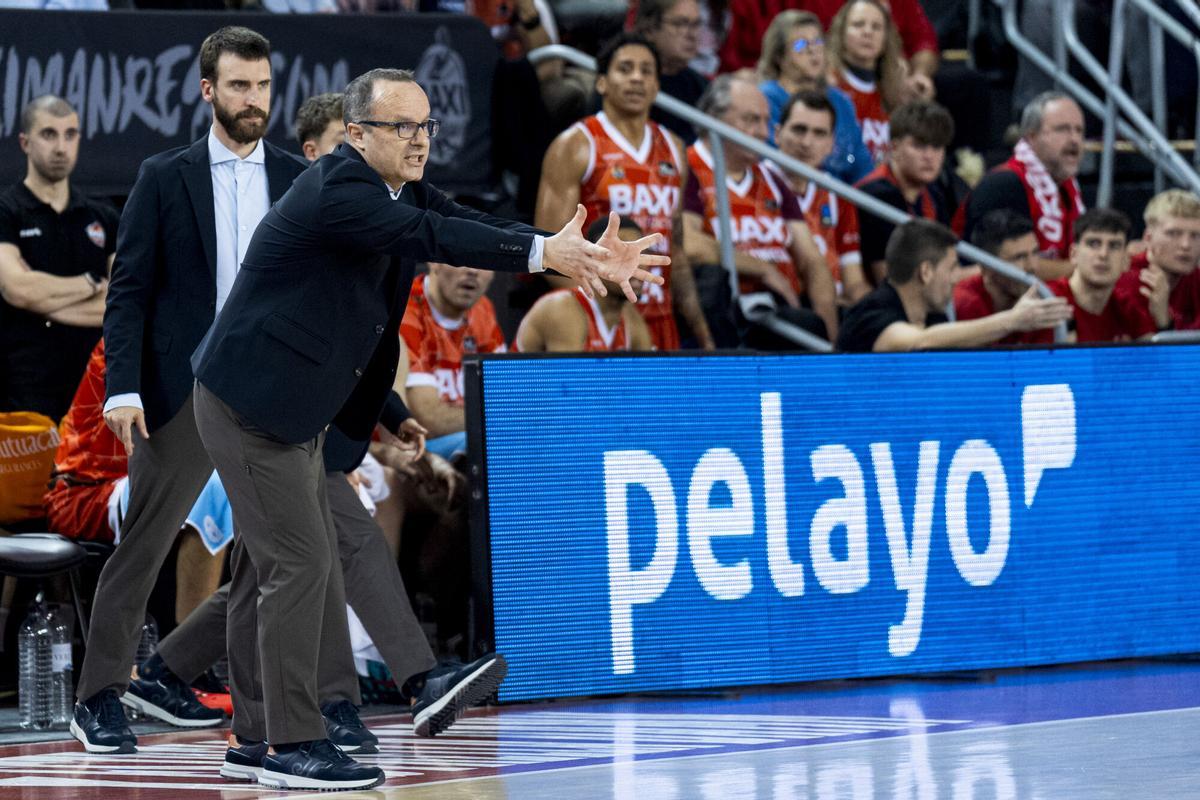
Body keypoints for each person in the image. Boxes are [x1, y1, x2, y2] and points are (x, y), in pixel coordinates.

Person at [189, 66, 666, 791]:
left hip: (291, 403)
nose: (419, 142)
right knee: (301, 565)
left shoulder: (396, 187)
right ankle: (291, 745)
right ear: (355, 135)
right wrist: (545, 255)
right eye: (401, 128)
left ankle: (255, 738)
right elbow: (435, 234)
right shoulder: (341, 190)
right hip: (252, 402)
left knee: (266, 571)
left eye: (426, 127)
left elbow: (461, 219)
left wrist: (572, 252)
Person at [71, 26, 311, 755]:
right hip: (181, 392)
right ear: (208, 90)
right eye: (238, 86)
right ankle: (98, 697)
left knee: (275, 557)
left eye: (263, 86)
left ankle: (261, 719)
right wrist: (123, 389)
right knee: (142, 546)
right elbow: (130, 292)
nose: (253, 100)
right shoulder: (163, 176)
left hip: (264, 392)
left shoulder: (298, 176)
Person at [535, 32, 713, 351]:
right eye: (625, 68)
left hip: (659, 315)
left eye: (646, 71)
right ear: (601, 82)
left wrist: (702, 332)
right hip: (601, 315)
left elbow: (678, 252)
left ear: (657, 86)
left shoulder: (673, 148)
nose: (636, 78)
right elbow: (550, 254)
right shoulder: (575, 145)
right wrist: (605, 313)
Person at [44, 340, 231, 623]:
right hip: (87, 490)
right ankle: (184, 657)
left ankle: (230, 649)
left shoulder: (214, 342)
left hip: (155, 476)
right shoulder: (129, 344)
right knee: (212, 489)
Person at [683, 75, 838, 343]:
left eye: (766, 121)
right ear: (714, 118)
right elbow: (689, 244)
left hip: (783, 307)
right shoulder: (687, 167)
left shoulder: (772, 178)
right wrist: (763, 269)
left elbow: (812, 261)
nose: (763, 134)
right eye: (751, 120)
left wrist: (832, 341)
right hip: (730, 309)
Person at [0, 95, 116, 421]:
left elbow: (122, 302)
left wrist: (42, 302)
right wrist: (91, 283)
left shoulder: (103, 217)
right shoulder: (7, 212)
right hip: (23, 392)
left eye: (70, 134)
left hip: (93, 393)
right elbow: (17, 290)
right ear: (25, 142)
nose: (61, 147)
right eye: (49, 134)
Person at [837, 219, 1071, 352]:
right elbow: (918, 342)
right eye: (951, 269)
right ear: (926, 272)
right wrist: (1013, 319)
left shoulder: (936, 317)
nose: (955, 278)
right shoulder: (871, 314)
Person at [957, 92, 1086, 278]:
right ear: (1032, 137)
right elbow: (1007, 265)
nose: (1074, 139)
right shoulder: (1003, 184)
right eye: (1062, 129)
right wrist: (1086, 270)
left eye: (1079, 130)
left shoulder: (1068, 188)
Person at [773, 89, 867, 302]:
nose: (807, 143)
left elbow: (853, 280)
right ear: (777, 134)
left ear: (831, 144)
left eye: (819, 133)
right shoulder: (759, 182)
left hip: (837, 304)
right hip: (790, 303)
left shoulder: (838, 193)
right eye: (799, 130)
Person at [756, 10, 871, 183]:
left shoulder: (841, 101)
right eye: (801, 45)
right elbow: (776, 158)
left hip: (842, 198)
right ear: (779, 56)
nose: (813, 50)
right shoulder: (765, 98)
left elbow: (859, 163)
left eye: (817, 42)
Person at [515, 216, 654, 351]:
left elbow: (649, 373)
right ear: (594, 258)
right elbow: (570, 374)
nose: (636, 265)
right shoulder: (563, 309)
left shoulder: (631, 319)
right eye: (624, 256)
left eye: (641, 254)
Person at [855, 100, 956, 285]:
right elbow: (889, 281)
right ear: (894, 148)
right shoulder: (875, 195)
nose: (929, 156)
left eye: (937, 147)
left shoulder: (935, 196)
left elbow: (949, 263)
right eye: (919, 146)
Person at [826, 0, 920, 166]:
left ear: (886, 39)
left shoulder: (895, 93)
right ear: (841, 33)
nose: (867, 32)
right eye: (858, 24)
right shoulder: (829, 87)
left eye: (876, 27)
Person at [1048, 208, 1156, 343]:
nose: (1103, 254)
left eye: (1114, 246)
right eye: (1093, 244)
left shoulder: (1127, 310)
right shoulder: (1049, 301)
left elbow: (1158, 358)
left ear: (1126, 261)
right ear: (1073, 254)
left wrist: (1164, 321)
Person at [953, 209, 1053, 346]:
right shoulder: (966, 303)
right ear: (986, 268)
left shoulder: (1042, 299)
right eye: (1019, 257)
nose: (1032, 267)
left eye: (1035, 252)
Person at [1113, 189, 1200, 333]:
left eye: (1195, 235)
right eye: (1173, 234)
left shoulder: (1196, 280)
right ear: (1148, 238)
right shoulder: (1123, 281)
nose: (1186, 245)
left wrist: (1165, 319)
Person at [636, 0, 710, 143]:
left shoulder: (702, 87)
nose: (692, 35)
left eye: (696, 25)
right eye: (680, 24)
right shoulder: (628, 82)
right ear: (650, 29)